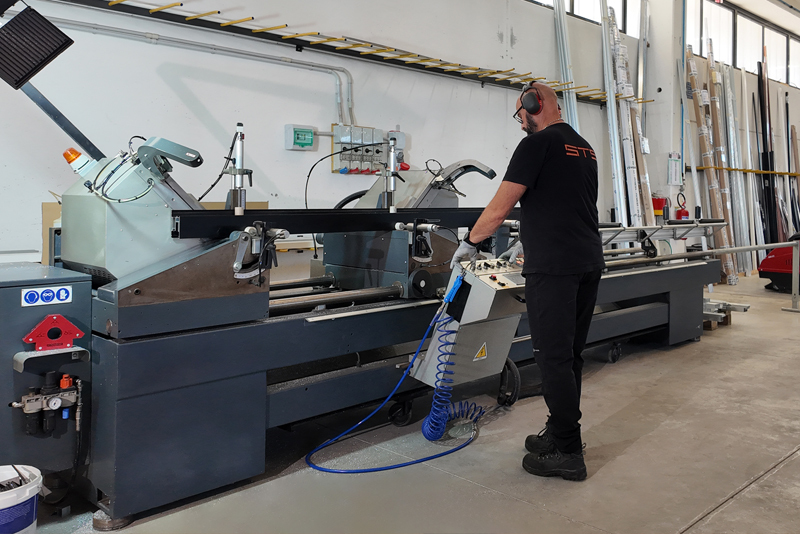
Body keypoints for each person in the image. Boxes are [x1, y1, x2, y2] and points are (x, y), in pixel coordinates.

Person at [450, 82, 604, 481]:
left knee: (552, 358)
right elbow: (566, 205)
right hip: (587, 261)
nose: (520, 123)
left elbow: (500, 207)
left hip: (553, 268)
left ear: (534, 105)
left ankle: (567, 451)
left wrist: (470, 243)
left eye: (520, 114)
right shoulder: (584, 148)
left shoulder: (536, 144)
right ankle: (559, 429)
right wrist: (529, 236)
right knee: (569, 355)